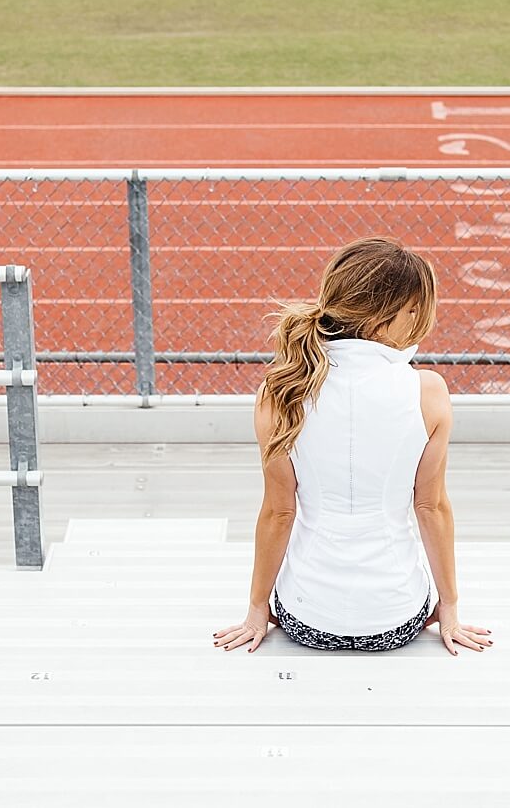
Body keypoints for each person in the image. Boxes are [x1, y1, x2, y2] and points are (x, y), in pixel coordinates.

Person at [212, 236, 494, 656]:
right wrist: (449, 609)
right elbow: (430, 507)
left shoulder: (280, 390)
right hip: (397, 620)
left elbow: (279, 511)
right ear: (384, 320)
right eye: (413, 309)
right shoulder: (428, 392)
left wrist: (257, 611)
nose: (420, 319)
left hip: (305, 620)